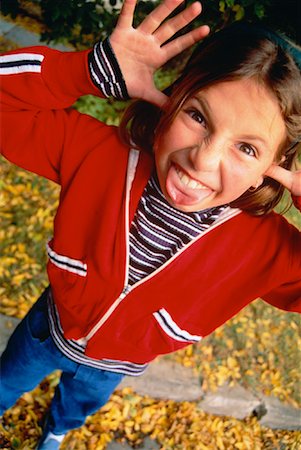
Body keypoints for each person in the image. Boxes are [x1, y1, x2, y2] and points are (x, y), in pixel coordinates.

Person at [0, 0, 300, 448]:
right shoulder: (95, 153)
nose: (204, 159)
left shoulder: (265, 249)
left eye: (247, 149)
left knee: (75, 408)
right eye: (198, 116)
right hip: (49, 326)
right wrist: (87, 71)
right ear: (172, 97)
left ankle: (56, 432)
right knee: (6, 380)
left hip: (115, 366)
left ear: (276, 166)